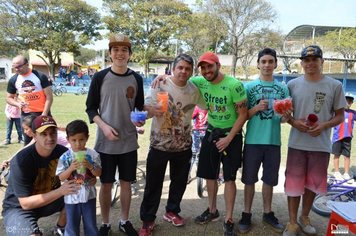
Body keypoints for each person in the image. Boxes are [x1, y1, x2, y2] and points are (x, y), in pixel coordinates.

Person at [152, 51, 248, 235]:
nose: (206, 70)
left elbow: (243, 115)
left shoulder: (234, 85)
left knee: (229, 178)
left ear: (218, 65)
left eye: (209, 66)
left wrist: (229, 139)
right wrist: (163, 75)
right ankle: (212, 210)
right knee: (209, 175)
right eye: (203, 67)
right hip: (211, 133)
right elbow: (179, 78)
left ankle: (228, 218)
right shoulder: (199, 81)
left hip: (232, 136)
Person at [283, 45, 346, 236]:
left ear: (322, 62)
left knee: (312, 185)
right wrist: (294, 122)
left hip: (321, 146)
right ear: (301, 63)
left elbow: (340, 116)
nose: (310, 63)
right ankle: (292, 222)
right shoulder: (292, 85)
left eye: (314, 59)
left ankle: (305, 217)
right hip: (296, 144)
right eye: (306, 60)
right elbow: (285, 114)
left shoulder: (335, 85)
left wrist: (324, 125)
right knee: (293, 184)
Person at [86, 33, 144, 236]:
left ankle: (124, 221)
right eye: (116, 50)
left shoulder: (136, 78)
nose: (120, 53)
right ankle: (105, 223)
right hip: (105, 143)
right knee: (106, 184)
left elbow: (137, 109)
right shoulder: (100, 77)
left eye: (124, 50)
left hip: (128, 142)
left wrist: (139, 120)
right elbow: (91, 109)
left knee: (127, 183)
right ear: (110, 53)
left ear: (129, 54)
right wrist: (103, 126)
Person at [139, 54, 203, 236]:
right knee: (153, 184)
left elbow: (207, 94)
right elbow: (147, 109)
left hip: (183, 145)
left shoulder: (194, 89)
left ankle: (172, 212)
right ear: (173, 68)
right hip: (159, 144)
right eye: (180, 67)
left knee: (179, 182)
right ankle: (147, 220)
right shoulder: (160, 84)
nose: (183, 71)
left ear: (192, 71)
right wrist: (152, 112)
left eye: (187, 68)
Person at [237, 48, 289, 233]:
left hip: (273, 141)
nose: (267, 65)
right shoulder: (248, 87)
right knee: (249, 179)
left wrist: (286, 115)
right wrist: (256, 108)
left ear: (275, 64)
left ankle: (268, 213)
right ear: (258, 64)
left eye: (270, 61)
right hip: (252, 141)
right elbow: (242, 116)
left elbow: (283, 119)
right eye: (263, 61)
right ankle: (246, 214)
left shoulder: (283, 88)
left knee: (269, 180)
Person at [2, 115, 80, 236]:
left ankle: (60, 228)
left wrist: (86, 179)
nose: (50, 138)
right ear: (34, 135)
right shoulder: (21, 161)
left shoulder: (63, 153)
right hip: (18, 208)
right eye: (44, 134)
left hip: (49, 200)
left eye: (53, 133)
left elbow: (77, 178)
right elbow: (25, 203)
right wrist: (60, 191)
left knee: (76, 197)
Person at [56, 120, 102, 236]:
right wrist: (71, 168)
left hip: (89, 195)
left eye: (81, 140)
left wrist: (90, 166)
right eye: (74, 140)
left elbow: (98, 173)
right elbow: (61, 177)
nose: (78, 144)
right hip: (71, 196)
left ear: (87, 138)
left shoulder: (93, 154)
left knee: (90, 224)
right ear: (68, 140)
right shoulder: (65, 157)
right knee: (71, 225)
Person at [6, 55, 53, 145]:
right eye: (14, 67)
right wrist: (18, 104)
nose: (16, 69)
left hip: (42, 113)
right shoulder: (13, 80)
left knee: (47, 141)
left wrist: (44, 114)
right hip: (26, 116)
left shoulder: (40, 76)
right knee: (28, 143)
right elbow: (8, 98)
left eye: (18, 67)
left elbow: (49, 97)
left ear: (27, 64)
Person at [331, 94, 356, 183]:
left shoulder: (353, 113)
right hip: (337, 137)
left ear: (352, 103)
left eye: (350, 101)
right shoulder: (336, 112)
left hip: (348, 138)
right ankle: (337, 172)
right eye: (346, 100)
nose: (347, 103)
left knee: (347, 156)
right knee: (336, 155)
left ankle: (346, 173)